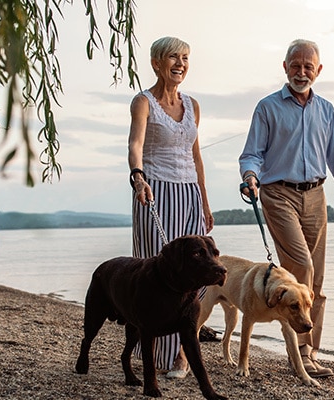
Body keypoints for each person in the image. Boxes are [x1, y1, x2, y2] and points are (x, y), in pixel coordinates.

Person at [239, 39, 334, 378]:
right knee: (302, 268)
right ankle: (302, 356)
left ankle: (310, 351)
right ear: (285, 67)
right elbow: (252, 153)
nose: (302, 71)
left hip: (316, 196)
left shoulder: (326, 110)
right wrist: (250, 176)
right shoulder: (268, 108)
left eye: (309, 66)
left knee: (316, 284)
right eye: (296, 65)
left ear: (318, 71)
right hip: (278, 194)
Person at [128, 36, 214, 379]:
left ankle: (179, 350)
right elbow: (135, 144)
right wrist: (138, 177)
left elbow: (195, 155)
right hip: (155, 192)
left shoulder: (193, 104)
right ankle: (159, 356)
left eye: (186, 57)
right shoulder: (143, 102)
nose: (180, 63)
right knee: (157, 276)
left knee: (200, 274)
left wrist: (205, 200)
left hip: (190, 193)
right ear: (156, 63)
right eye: (173, 57)